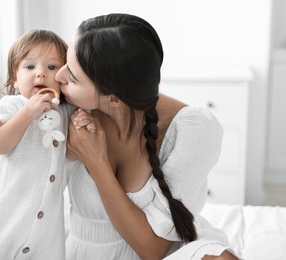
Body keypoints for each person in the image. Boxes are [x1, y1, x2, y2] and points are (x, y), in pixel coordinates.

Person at [56, 13, 239, 259]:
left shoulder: (192, 129)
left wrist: (96, 161)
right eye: (66, 63)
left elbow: (154, 249)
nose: (59, 76)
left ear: (113, 98)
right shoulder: (66, 110)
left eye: (73, 77)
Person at [0, 29, 72, 259]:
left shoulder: (65, 113)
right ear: (15, 76)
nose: (41, 74)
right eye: (30, 67)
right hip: (5, 219)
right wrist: (28, 113)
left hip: (46, 232)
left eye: (52, 67)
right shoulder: (12, 105)